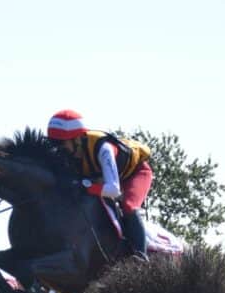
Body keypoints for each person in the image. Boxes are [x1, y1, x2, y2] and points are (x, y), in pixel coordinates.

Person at [46, 109, 153, 261]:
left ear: (77, 139)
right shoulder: (70, 154)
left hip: (134, 174)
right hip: (106, 179)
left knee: (129, 206)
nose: (59, 148)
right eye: (54, 143)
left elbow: (114, 190)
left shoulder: (103, 148)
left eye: (61, 143)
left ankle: (141, 258)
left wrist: (86, 186)